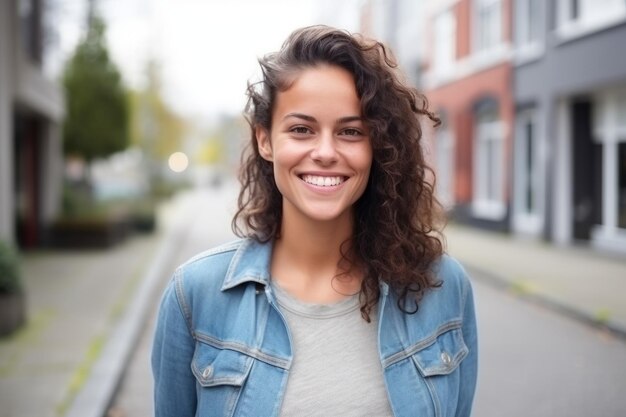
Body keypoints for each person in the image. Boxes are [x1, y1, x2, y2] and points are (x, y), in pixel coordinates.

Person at [152, 25, 478, 417]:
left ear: (377, 146)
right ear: (265, 140)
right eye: (301, 129)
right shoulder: (195, 295)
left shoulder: (444, 287)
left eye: (350, 131)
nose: (325, 152)